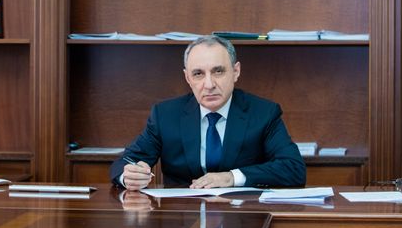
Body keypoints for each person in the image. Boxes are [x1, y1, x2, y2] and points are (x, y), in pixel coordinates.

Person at [110, 35, 305, 190]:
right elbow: (124, 162)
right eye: (198, 74)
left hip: (243, 216)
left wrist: (231, 177)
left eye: (218, 71)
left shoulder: (263, 113)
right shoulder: (165, 115)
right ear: (187, 77)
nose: (209, 84)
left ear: (236, 72)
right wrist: (129, 176)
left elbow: (294, 168)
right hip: (181, 218)